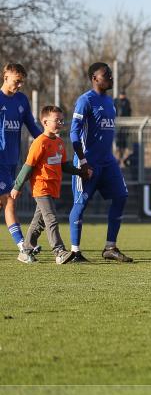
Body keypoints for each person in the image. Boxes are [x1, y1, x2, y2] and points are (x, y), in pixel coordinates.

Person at [69, 62, 132, 263]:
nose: (111, 77)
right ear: (95, 78)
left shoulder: (110, 102)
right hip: (89, 163)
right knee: (81, 204)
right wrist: (84, 161)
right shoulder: (85, 100)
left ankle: (110, 247)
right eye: (107, 75)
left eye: (111, 74)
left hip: (108, 162)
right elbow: (74, 133)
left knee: (121, 196)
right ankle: (75, 251)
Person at [10, 105, 85, 264]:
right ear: (44, 122)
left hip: (53, 188)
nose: (60, 123)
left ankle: (26, 251)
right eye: (56, 120)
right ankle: (59, 252)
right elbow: (28, 166)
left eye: (62, 120)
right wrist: (17, 186)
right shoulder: (39, 142)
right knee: (51, 219)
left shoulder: (59, 142)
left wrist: (80, 171)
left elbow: (64, 165)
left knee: (39, 222)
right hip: (41, 187)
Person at [0, 63, 43, 260]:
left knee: (5, 203)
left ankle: (23, 246)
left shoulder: (22, 101)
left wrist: (47, 140)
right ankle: (23, 247)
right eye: (17, 81)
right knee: (9, 201)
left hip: (12, 159)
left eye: (21, 83)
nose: (19, 85)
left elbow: (32, 127)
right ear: (5, 77)